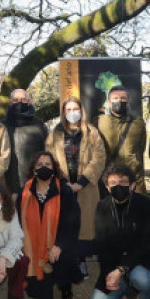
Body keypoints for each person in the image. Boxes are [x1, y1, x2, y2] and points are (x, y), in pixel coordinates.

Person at [46, 96, 106, 277]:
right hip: (63, 187)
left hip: (86, 188)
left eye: (75, 109)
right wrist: (64, 183)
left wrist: (80, 184)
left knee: (85, 226)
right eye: (68, 110)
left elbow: (99, 159)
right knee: (65, 224)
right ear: (64, 113)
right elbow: (50, 159)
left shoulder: (92, 132)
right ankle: (65, 261)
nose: (73, 113)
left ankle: (81, 261)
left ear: (81, 111)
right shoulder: (55, 133)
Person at [91, 163, 150, 299]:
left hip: (141, 263)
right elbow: (102, 245)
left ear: (132, 185)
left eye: (123, 182)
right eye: (113, 183)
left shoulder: (149, 206)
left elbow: (146, 244)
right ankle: (124, 286)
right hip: (114, 265)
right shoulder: (102, 207)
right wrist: (110, 274)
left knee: (143, 280)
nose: (118, 187)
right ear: (107, 187)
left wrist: (121, 269)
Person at [17, 151, 80, 299]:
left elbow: (72, 222)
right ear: (33, 169)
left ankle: (65, 286)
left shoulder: (64, 190)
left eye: (47, 164)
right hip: (33, 243)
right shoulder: (25, 192)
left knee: (65, 258)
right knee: (40, 294)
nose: (43, 167)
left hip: (59, 239)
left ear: (54, 168)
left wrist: (59, 245)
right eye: (39, 164)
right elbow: (18, 221)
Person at [97, 86, 147, 194]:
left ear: (128, 101)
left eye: (123, 98)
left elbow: (141, 148)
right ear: (108, 102)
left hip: (134, 180)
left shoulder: (138, 123)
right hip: (109, 181)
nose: (119, 101)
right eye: (115, 98)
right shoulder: (99, 122)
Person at [2, 88, 48, 198]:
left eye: (23, 99)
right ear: (10, 102)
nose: (20, 103)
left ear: (29, 101)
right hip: (9, 187)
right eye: (16, 100)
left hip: (35, 185)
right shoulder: (2, 126)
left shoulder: (39, 125)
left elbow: (48, 153)